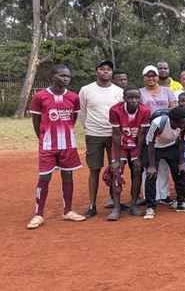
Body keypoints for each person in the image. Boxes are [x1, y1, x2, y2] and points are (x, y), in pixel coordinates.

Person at [26, 64, 87, 229]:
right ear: (52, 76)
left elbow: (72, 120)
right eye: (62, 75)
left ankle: (68, 211)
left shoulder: (74, 97)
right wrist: (44, 138)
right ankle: (38, 214)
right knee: (44, 178)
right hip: (48, 145)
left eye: (68, 76)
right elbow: (36, 122)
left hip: (68, 144)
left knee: (68, 176)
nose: (66, 78)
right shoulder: (40, 96)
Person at [79, 60, 124, 218]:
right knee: (94, 169)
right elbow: (82, 111)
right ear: (97, 71)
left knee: (115, 169)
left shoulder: (118, 91)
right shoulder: (86, 90)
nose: (105, 72)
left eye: (108, 70)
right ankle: (92, 205)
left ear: (112, 73)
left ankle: (114, 201)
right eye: (102, 69)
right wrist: (88, 127)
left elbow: (121, 113)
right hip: (94, 134)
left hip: (114, 135)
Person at [107, 87, 151, 220]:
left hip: (136, 145)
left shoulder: (145, 111)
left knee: (137, 170)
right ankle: (116, 207)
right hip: (120, 145)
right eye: (130, 97)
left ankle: (134, 204)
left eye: (136, 97)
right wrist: (116, 159)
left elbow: (142, 135)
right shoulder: (115, 110)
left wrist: (138, 155)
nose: (133, 100)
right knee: (117, 171)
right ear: (124, 98)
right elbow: (115, 134)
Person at [143, 106, 185, 219]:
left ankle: (181, 202)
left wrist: (181, 162)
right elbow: (150, 143)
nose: (183, 125)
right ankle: (150, 207)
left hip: (171, 146)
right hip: (155, 148)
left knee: (180, 172)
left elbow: (182, 142)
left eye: (184, 122)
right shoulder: (158, 123)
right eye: (181, 123)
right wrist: (151, 165)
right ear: (172, 121)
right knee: (151, 175)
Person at [140, 65, 177, 205]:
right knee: (149, 163)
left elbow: (173, 108)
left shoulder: (167, 91)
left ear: (157, 77)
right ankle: (150, 195)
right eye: (148, 76)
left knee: (163, 165)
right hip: (148, 130)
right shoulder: (140, 92)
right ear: (144, 78)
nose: (151, 78)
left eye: (153, 75)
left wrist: (162, 114)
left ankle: (164, 194)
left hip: (166, 130)